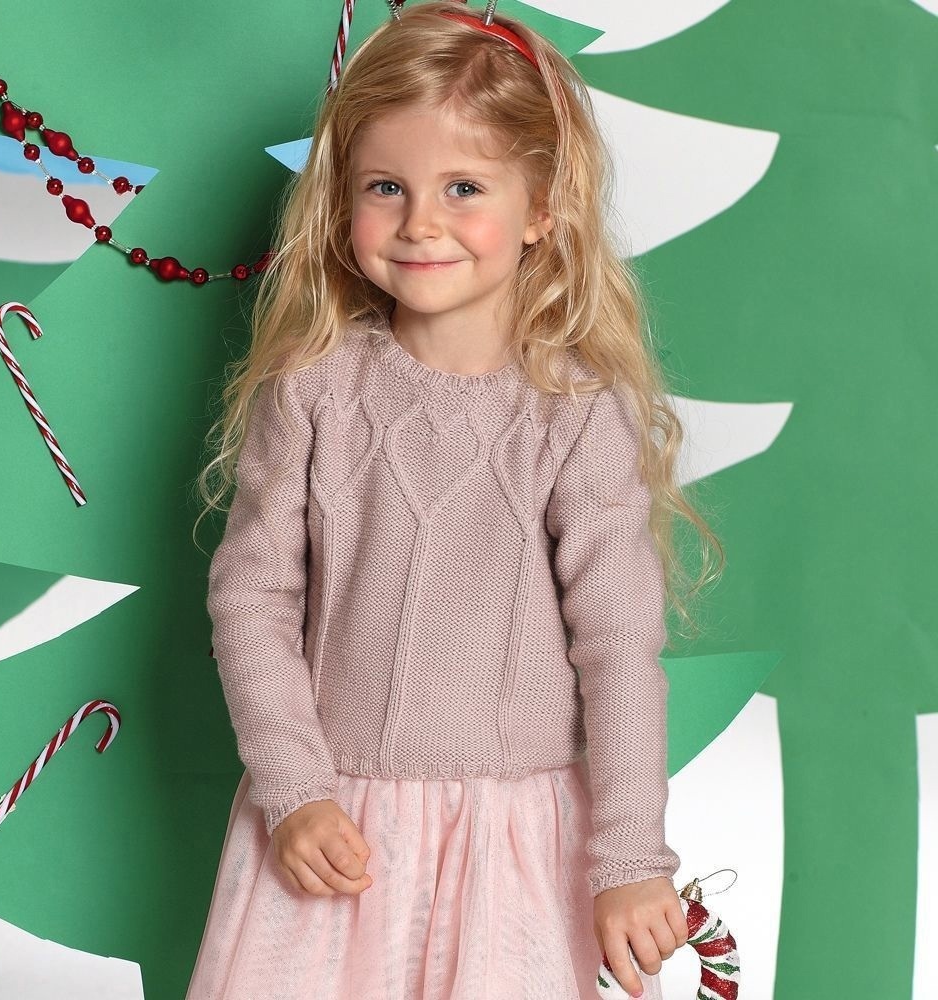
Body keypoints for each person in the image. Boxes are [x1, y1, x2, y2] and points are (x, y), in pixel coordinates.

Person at [187, 2, 724, 998]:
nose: (420, 222)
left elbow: (616, 649)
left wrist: (628, 857)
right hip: (334, 826)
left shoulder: (574, 413)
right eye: (385, 187)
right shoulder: (311, 390)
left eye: (463, 187)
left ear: (541, 207)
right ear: (342, 200)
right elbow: (251, 598)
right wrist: (294, 789)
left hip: (517, 841)